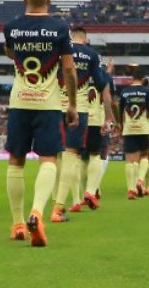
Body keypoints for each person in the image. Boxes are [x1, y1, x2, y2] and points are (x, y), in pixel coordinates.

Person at [3, 0, 78, 247]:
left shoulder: (11, 28)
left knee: (16, 161)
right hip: (47, 104)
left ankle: (18, 223)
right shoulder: (59, 28)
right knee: (48, 159)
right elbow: (69, 70)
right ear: (49, 0)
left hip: (20, 101)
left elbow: (10, 54)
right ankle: (37, 212)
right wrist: (72, 104)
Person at [51, 27, 107, 222]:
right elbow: (101, 82)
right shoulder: (92, 54)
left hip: (55, 107)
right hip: (79, 110)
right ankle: (58, 207)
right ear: (86, 39)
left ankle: (55, 199)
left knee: (54, 157)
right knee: (72, 155)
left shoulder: (59, 49)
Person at [118, 69, 149, 199]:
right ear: (143, 79)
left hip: (129, 128)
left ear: (132, 78)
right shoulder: (146, 92)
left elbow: (120, 112)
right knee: (144, 156)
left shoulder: (124, 92)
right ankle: (141, 180)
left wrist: (120, 127)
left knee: (130, 161)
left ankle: (131, 190)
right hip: (143, 129)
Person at [80, 53, 115, 205]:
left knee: (81, 158)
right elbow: (108, 98)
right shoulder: (104, 77)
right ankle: (92, 189)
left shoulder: (81, 73)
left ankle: (83, 194)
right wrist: (110, 118)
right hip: (98, 121)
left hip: (81, 119)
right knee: (99, 156)